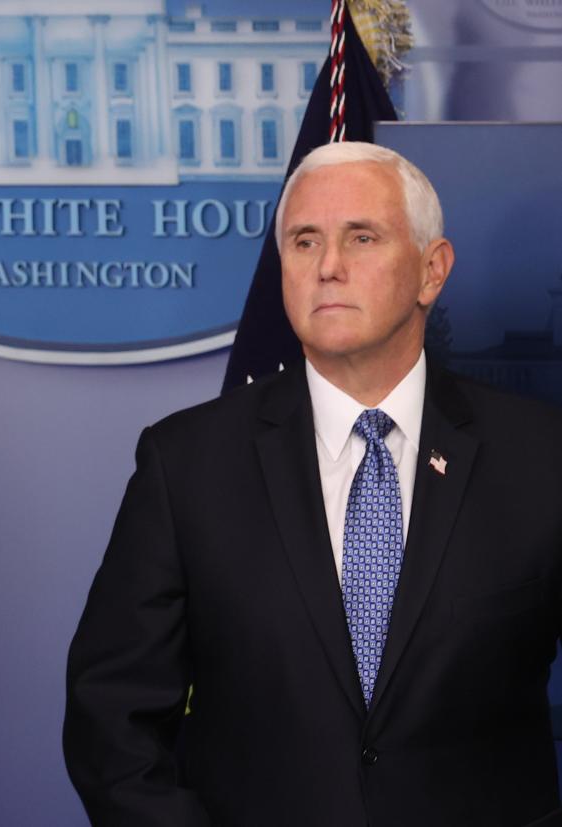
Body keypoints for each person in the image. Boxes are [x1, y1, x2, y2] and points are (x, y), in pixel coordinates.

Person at [63, 141, 562, 826]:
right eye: (304, 241)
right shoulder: (185, 461)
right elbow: (110, 716)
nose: (328, 266)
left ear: (430, 270)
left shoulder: (540, 455)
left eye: (361, 237)